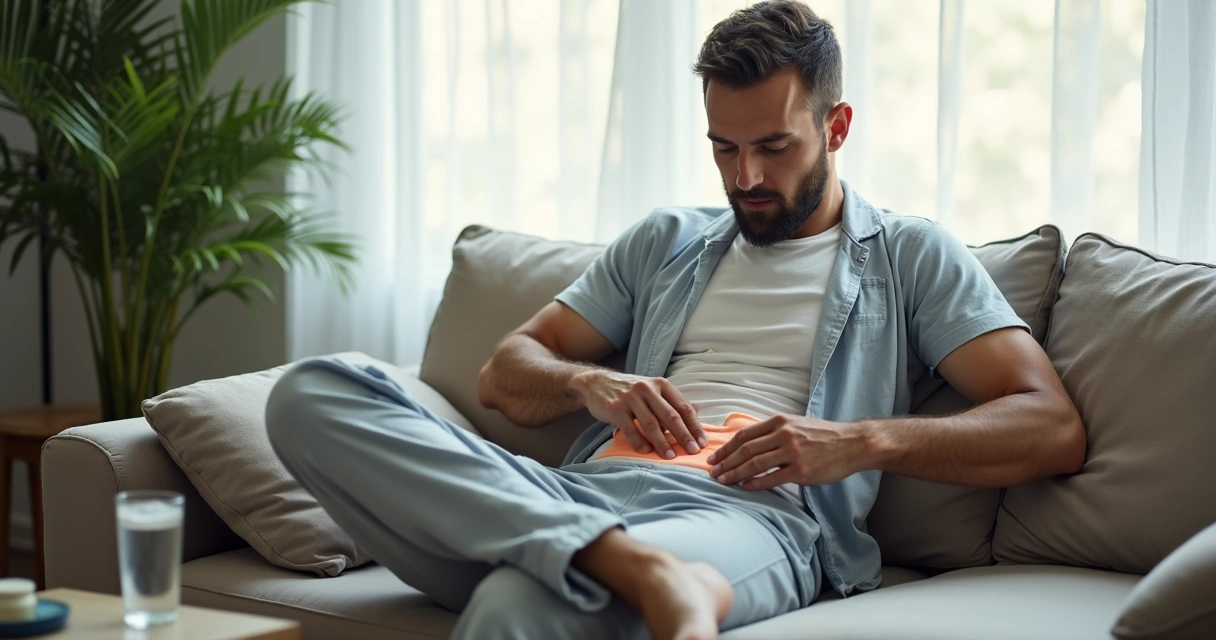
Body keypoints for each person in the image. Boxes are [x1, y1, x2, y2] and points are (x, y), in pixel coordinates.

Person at [265, 2, 1086, 639]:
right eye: (724, 148)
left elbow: (1049, 428)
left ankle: (620, 564)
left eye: (774, 145)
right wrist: (591, 383)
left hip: (745, 517)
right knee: (312, 391)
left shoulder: (909, 254)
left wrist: (860, 441)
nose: (747, 176)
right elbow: (504, 375)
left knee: (522, 602)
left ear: (836, 127)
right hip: (571, 495)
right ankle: (624, 564)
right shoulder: (667, 240)